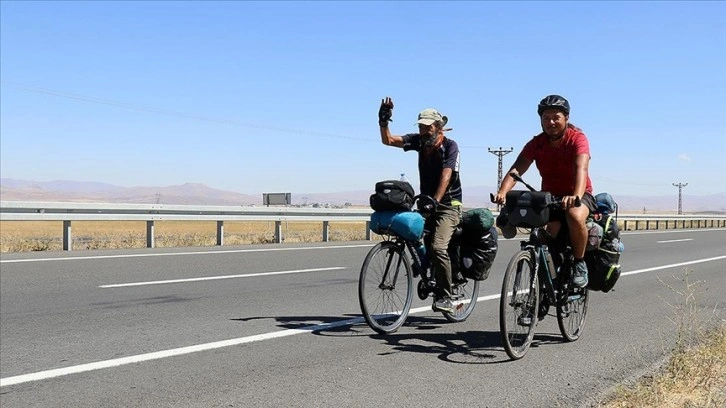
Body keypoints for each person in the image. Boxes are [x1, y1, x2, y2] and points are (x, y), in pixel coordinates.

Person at [493, 95, 596, 288]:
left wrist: (576, 196)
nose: (551, 122)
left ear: (566, 118)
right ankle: (544, 285)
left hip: (580, 194)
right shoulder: (537, 143)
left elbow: (581, 168)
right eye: (545, 118)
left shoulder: (577, 138)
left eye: (556, 117)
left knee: (574, 215)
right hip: (550, 198)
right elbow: (517, 169)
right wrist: (503, 192)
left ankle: (579, 263)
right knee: (545, 238)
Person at [378, 96, 463, 313]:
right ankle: (428, 270)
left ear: (439, 128)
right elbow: (388, 141)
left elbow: (446, 175)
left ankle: (447, 296)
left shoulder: (450, 147)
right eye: (422, 127)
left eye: (428, 127)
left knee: (437, 246)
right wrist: (384, 121)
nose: (424, 131)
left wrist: (435, 200)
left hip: (448, 205)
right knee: (411, 234)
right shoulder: (418, 142)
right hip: (427, 203)